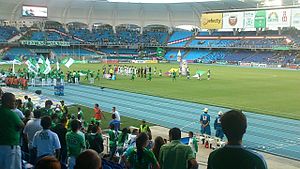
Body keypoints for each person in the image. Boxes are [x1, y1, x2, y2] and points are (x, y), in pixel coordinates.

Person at [0, 92, 24, 169]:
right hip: (10, 147)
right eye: (13, 101)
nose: (15, 103)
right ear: (7, 102)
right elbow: (21, 125)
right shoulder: (10, 114)